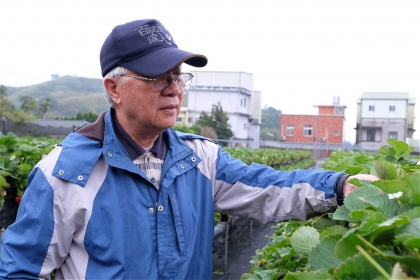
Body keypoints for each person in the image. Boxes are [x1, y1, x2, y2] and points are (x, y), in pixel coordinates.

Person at [0, 19, 378, 279]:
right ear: (114, 89)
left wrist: (339, 185)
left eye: (178, 76)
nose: (174, 89)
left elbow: (270, 188)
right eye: (156, 77)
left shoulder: (200, 159)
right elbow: (19, 270)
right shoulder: (66, 174)